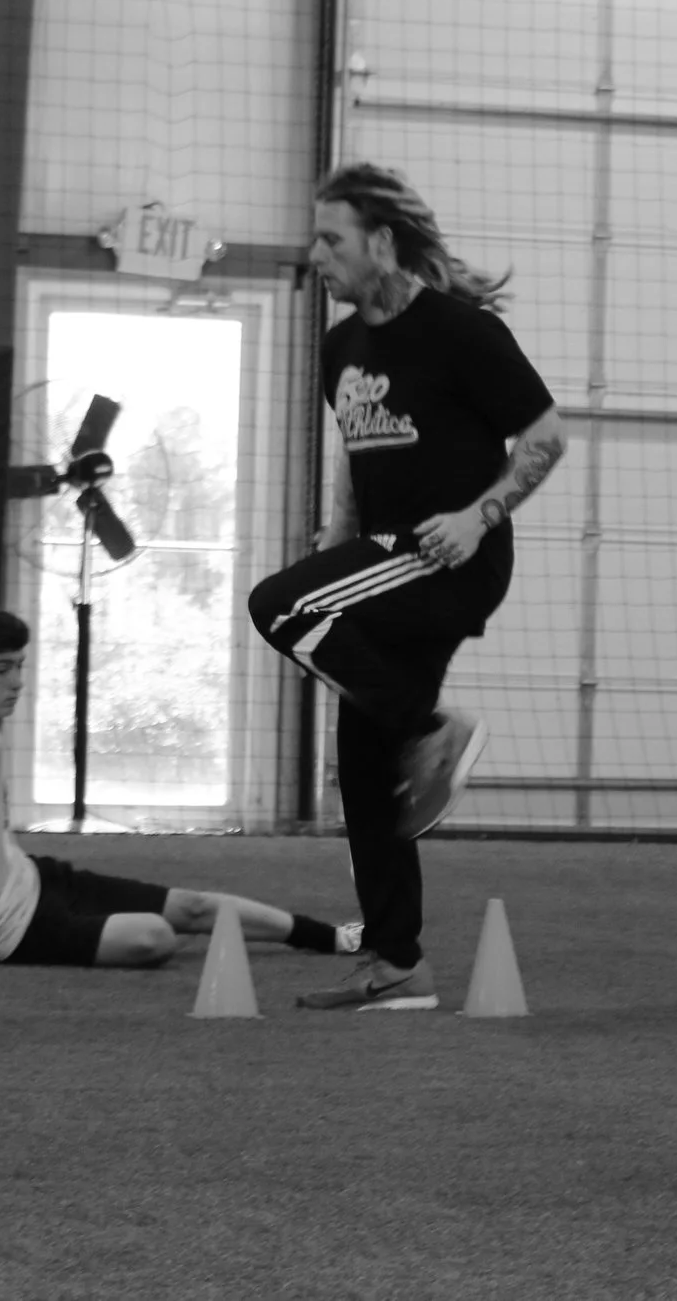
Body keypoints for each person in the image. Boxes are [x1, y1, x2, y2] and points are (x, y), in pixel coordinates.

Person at [247, 163, 564, 1012]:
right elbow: (357, 455)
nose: (318, 255)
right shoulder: (340, 347)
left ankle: (434, 728)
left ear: (381, 243)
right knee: (362, 770)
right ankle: (398, 966)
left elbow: (545, 436)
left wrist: (476, 517)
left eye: (332, 239)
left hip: (447, 557)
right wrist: (336, 540)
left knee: (276, 604)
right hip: (383, 562)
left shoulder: (460, 332)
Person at [0, 603, 354, 974]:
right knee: (158, 937)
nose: (16, 682)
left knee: (192, 907)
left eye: (20, 667)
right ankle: (334, 937)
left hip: (28, 880)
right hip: (7, 930)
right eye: (1, 669)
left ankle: (333, 937)